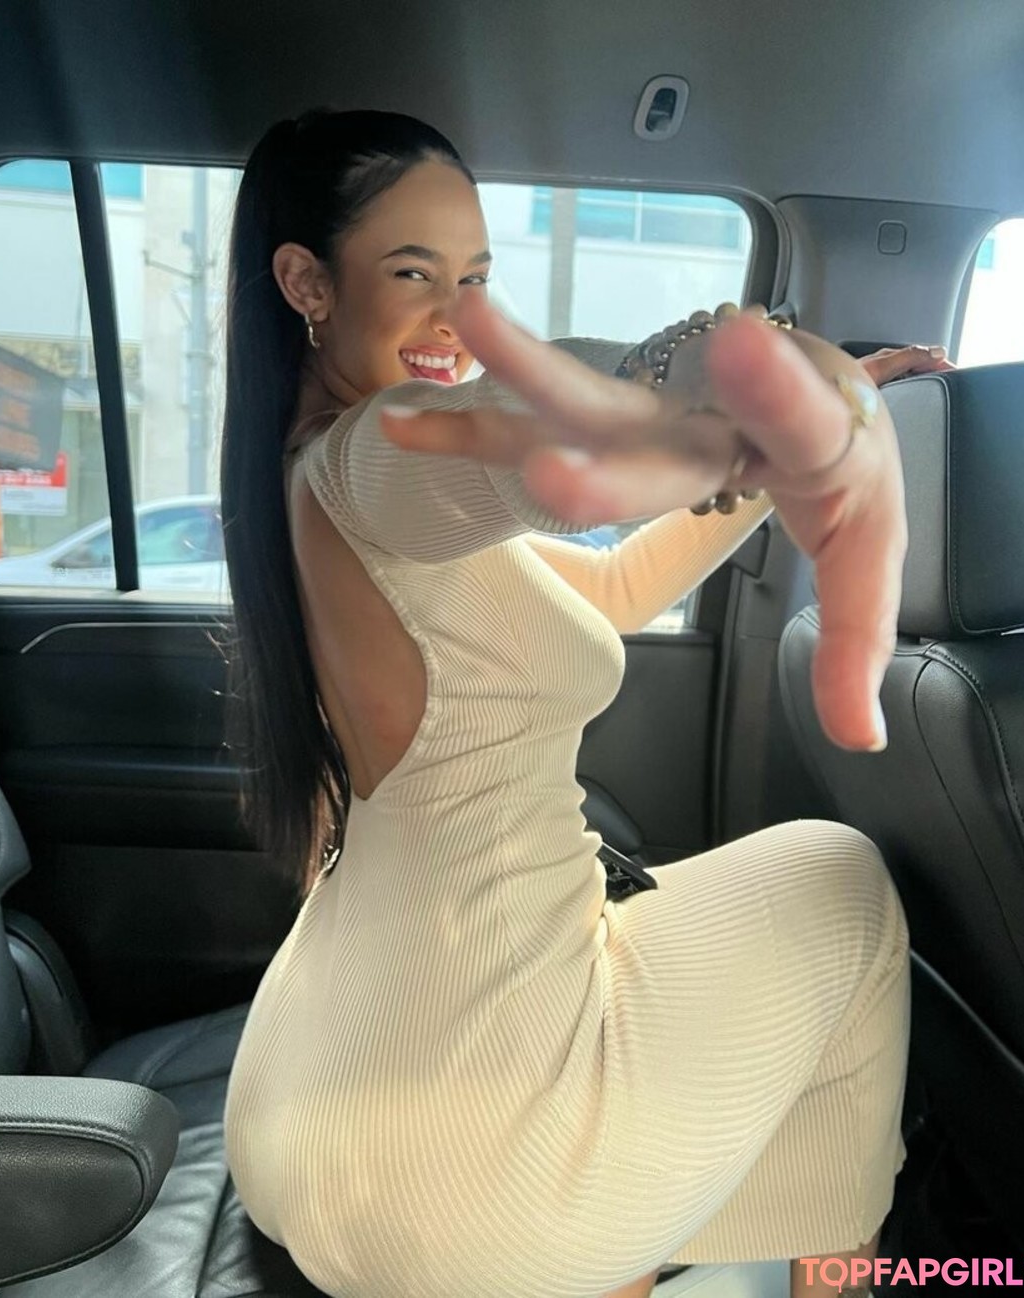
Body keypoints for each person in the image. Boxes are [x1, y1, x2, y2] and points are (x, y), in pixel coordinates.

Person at [219, 108, 951, 1298]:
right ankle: (797, 1268)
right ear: (306, 281)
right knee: (845, 880)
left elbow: (611, 585)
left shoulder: (315, 482)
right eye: (413, 274)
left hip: (314, 1113)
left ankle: (618, 1246)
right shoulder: (378, 454)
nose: (459, 319)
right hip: (462, 1146)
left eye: (475, 279)